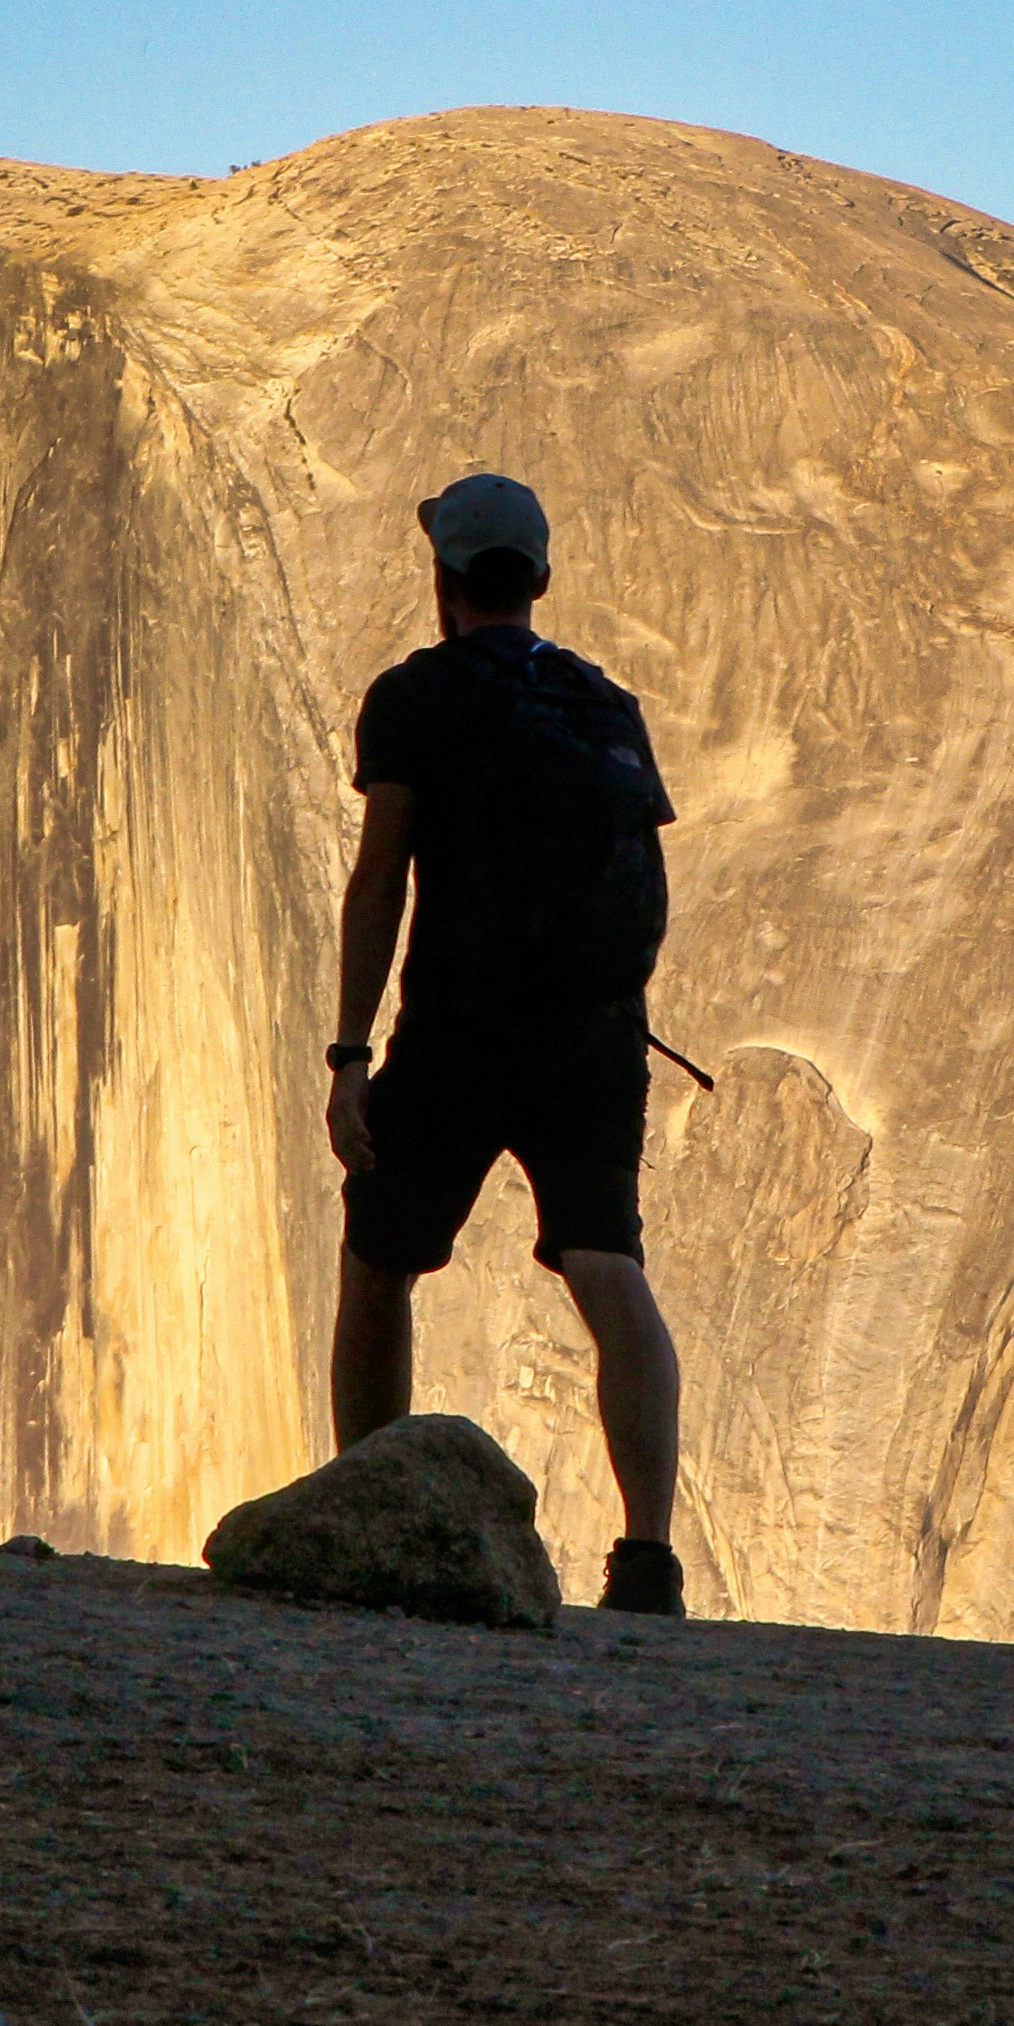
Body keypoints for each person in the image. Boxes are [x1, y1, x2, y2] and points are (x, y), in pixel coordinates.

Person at [321, 469, 695, 1617]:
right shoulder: (604, 703)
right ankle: (647, 1558)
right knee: (606, 1261)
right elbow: (646, 873)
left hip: (461, 1028)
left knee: (380, 1256)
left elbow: (382, 876)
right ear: (541, 578)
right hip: (598, 1034)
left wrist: (349, 1055)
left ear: (443, 578)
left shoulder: (414, 697)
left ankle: (363, 1515)